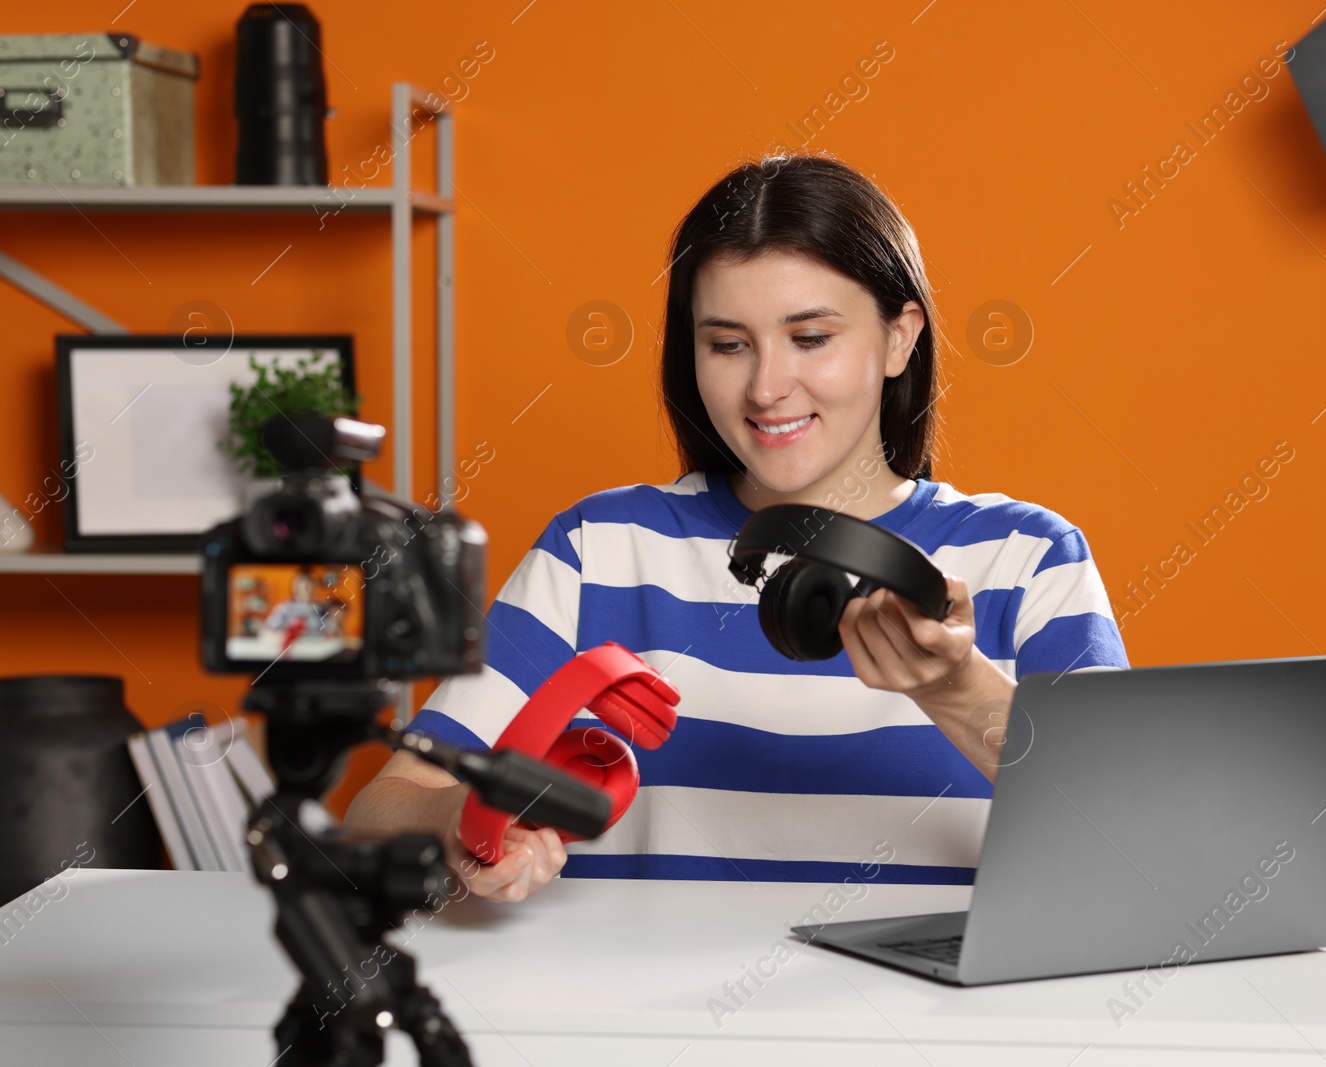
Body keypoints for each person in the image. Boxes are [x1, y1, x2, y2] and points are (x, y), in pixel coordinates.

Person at [344, 154, 1128, 903]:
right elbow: (378, 813)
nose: (766, 387)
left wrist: (956, 690)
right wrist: (459, 827)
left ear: (899, 337)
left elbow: (1133, 840)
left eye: (811, 338)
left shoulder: (1030, 560)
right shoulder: (597, 548)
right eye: (727, 344)